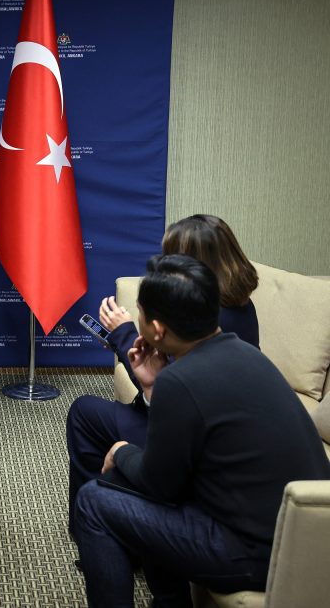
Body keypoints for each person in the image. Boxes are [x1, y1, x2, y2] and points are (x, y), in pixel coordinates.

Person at [74, 254, 330, 607]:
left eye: (140, 315)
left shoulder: (181, 380)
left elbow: (157, 486)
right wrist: (153, 385)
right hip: (298, 537)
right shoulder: (247, 354)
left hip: (256, 556)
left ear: (157, 329)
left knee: (93, 501)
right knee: (123, 485)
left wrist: (120, 450)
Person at [66, 215, 260, 537]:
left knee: (83, 413)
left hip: (187, 439)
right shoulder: (240, 304)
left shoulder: (203, 319)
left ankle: (94, 522)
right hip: (206, 428)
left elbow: (164, 387)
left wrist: (123, 334)